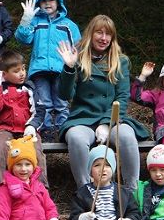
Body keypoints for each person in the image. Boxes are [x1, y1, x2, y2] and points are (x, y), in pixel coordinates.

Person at [57, 14, 149, 189]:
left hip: (112, 118)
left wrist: (107, 123)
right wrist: (69, 67)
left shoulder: (120, 61)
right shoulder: (78, 57)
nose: (104, 38)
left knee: (127, 136)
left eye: (108, 34)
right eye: (99, 33)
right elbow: (65, 94)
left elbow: (122, 97)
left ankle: (132, 191)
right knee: (76, 138)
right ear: (91, 34)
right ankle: (86, 191)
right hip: (83, 118)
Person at [15, 0, 81, 141]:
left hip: (61, 69)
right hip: (40, 69)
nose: (47, 3)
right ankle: (46, 132)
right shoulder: (36, 22)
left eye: (51, 0)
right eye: (43, 1)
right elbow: (22, 38)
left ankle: (63, 130)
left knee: (61, 102)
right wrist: (26, 20)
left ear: (58, 1)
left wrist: (75, 64)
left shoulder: (68, 25)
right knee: (43, 101)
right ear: (39, 3)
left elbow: (79, 47)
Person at [0, 50, 48, 197]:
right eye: (16, 71)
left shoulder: (29, 88)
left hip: (27, 129)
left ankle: (41, 189)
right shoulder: (0, 88)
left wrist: (32, 125)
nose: (22, 73)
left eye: (23, 69)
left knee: (36, 149)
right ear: (4, 74)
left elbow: (40, 110)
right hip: (6, 128)